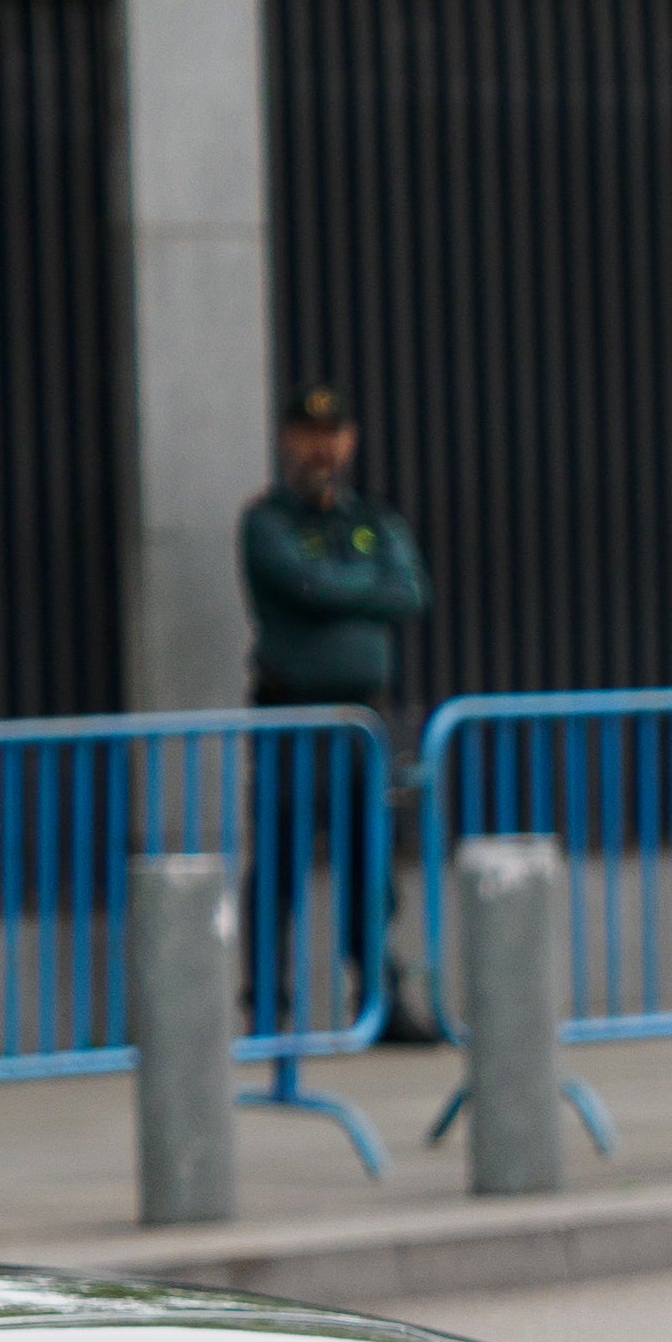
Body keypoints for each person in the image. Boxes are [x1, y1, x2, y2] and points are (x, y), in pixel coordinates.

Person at [238, 380, 428, 1042]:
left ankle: (380, 999)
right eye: (310, 433)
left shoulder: (371, 519)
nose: (324, 446)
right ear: (289, 439)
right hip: (292, 718)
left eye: (335, 433)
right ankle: (266, 1006)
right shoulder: (268, 521)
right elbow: (301, 584)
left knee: (370, 865)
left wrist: (338, 590)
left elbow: (409, 591)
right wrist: (360, 587)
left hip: (361, 723)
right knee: (280, 861)